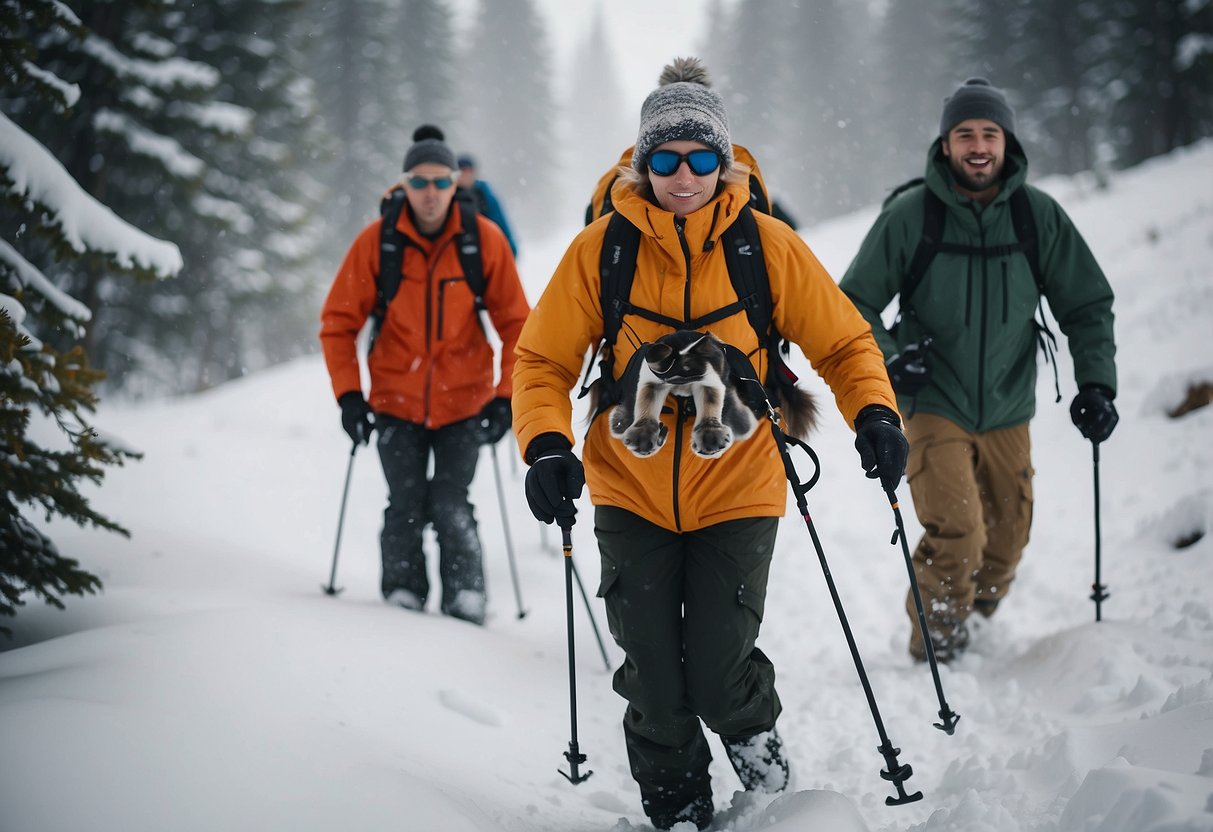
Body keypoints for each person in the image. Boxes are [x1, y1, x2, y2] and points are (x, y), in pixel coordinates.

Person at [511, 57, 908, 831]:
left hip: (739, 484)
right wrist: (548, 445)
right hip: (629, 485)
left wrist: (876, 416)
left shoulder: (765, 246)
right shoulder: (603, 249)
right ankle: (678, 811)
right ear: (641, 161)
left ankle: (760, 763)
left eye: (699, 157)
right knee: (655, 682)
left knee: (720, 671)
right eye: (664, 158)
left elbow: (845, 345)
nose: (682, 175)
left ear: (722, 162)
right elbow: (542, 359)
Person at [839, 78, 1118, 663]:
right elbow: (854, 302)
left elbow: (1085, 304)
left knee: (1008, 537)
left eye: (989, 132)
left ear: (1006, 142)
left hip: (1008, 402)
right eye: (964, 133)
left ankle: (976, 620)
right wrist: (892, 357)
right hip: (932, 401)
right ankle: (937, 641)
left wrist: (1096, 384)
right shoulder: (911, 216)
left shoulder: (1036, 215)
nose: (977, 145)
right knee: (959, 532)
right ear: (946, 145)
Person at [319, 125, 530, 625]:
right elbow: (338, 323)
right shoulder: (379, 242)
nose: (430, 193)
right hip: (394, 400)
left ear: (456, 184)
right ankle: (402, 598)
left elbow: (518, 324)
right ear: (404, 185)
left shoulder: (483, 240)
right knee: (406, 503)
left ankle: (466, 597)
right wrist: (350, 396)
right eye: (419, 182)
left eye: (440, 182)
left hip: (466, 400)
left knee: (451, 501)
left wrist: (506, 397)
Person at [456, 153, 519, 257]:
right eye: (461, 171)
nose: (464, 175)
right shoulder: (449, 195)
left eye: (467, 171)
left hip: (486, 252)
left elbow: (500, 223)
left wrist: (510, 250)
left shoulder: (484, 195)